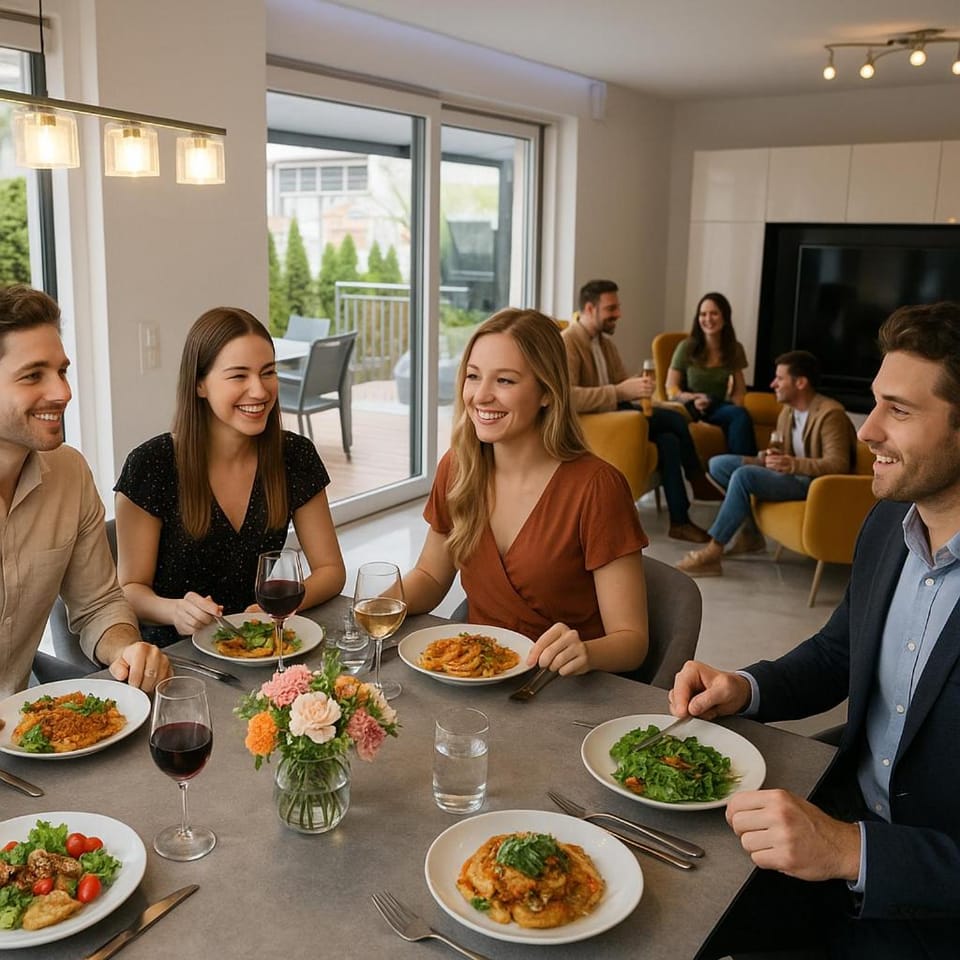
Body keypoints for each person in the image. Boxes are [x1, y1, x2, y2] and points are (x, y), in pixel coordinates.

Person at [672, 301, 960, 959]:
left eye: (901, 411)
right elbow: (838, 652)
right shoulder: (889, 524)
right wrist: (742, 687)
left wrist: (853, 851)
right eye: (875, 404)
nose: (869, 432)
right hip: (834, 823)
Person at [403, 308, 648, 676]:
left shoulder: (598, 488)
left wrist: (587, 653)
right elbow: (430, 577)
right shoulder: (456, 468)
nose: (481, 396)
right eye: (473, 376)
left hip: (563, 688)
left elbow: (632, 641)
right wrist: (374, 603)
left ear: (547, 393)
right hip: (475, 678)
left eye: (505, 381)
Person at [114, 307, 345, 647]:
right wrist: (175, 611)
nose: (260, 391)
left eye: (268, 373)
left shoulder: (294, 456)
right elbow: (130, 590)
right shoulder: (151, 465)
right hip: (175, 655)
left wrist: (276, 610)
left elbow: (330, 570)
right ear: (200, 384)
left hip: (262, 643)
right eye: (239, 376)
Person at [0, 284, 170, 697]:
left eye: (61, 370)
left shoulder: (69, 473)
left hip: (21, 735)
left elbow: (98, 606)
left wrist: (127, 649)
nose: (63, 392)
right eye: (33, 375)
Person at [563, 279, 721, 544]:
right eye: (611, 308)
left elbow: (623, 384)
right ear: (590, 309)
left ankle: (680, 521)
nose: (619, 314)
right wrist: (621, 392)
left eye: (618, 307)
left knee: (670, 441)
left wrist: (637, 386)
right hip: (597, 423)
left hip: (618, 414)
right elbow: (567, 396)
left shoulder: (605, 344)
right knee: (673, 419)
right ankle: (696, 477)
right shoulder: (568, 342)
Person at [677, 350, 857, 577]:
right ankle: (751, 535)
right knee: (718, 464)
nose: (773, 384)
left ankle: (714, 551)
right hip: (792, 473)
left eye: (780, 379)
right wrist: (768, 456)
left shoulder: (831, 414)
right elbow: (784, 453)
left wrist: (792, 464)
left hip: (814, 484)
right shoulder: (788, 412)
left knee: (744, 476)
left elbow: (838, 464)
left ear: (801, 382)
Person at [666, 291, 756, 455]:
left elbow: (739, 390)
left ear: (725, 317)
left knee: (740, 415)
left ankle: (739, 470)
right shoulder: (686, 347)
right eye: (703, 314)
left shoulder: (734, 349)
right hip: (689, 405)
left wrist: (737, 410)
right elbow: (671, 388)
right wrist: (693, 398)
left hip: (716, 406)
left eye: (714, 313)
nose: (708, 319)